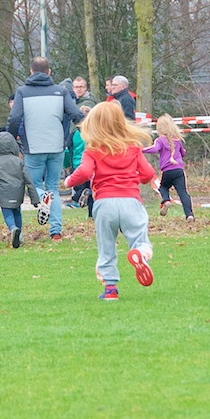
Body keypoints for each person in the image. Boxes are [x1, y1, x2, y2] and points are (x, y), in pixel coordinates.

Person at [64, 101, 156, 300]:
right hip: (131, 201)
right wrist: (137, 178)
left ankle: (110, 289)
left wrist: (69, 180)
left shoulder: (93, 150)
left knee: (106, 246)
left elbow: (85, 172)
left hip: (104, 203)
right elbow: (148, 174)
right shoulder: (132, 148)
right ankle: (140, 254)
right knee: (140, 240)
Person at [8, 56, 85, 241]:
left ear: (31, 71)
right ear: (49, 72)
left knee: (34, 186)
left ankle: (43, 198)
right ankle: (56, 232)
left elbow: (15, 118)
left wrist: (11, 137)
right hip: (56, 146)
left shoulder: (22, 92)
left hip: (33, 147)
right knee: (53, 189)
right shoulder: (61, 92)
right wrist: (87, 131)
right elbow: (76, 114)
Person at [0, 132, 40, 248]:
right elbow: (29, 181)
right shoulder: (19, 162)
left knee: (7, 213)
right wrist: (35, 199)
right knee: (17, 211)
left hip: (3, 194)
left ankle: (13, 228)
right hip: (18, 193)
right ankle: (19, 234)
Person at [143, 114, 194, 221]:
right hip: (179, 170)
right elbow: (183, 153)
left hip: (167, 171)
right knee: (183, 192)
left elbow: (154, 149)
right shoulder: (177, 141)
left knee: (163, 188)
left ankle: (166, 201)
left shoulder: (160, 140)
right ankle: (189, 215)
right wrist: (182, 152)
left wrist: (141, 150)